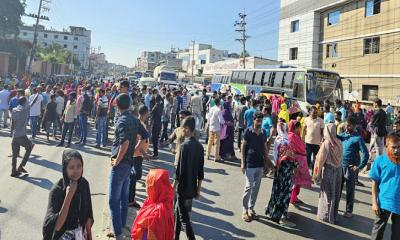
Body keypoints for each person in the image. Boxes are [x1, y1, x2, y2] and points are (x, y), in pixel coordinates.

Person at [109, 93, 148, 240]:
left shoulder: (121, 121)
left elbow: (124, 143)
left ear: (118, 105)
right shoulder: (134, 119)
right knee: (124, 198)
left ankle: (118, 233)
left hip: (120, 165)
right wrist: (134, 150)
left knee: (113, 200)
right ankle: (122, 225)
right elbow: (145, 135)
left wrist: (117, 161)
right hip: (129, 163)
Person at [43, 150, 94, 240]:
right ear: (65, 169)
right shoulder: (57, 190)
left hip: (80, 235)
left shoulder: (83, 184)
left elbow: (88, 218)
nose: (76, 171)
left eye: (79, 166)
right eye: (71, 167)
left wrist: (89, 237)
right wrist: (69, 195)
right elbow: (55, 226)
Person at [173, 116, 204, 240]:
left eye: (183, 128)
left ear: (187, 129)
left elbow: (179, 171)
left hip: (182, 188)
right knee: (177, 212)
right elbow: (200, 172)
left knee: (183, 218)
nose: (182, 131)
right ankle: (174, 237)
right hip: (192, 188)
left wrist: (173, 185)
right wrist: (198, 190)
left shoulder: (185, 146)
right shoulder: (200, 147)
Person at [265, 119, 297, 227]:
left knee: (277, 190)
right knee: (284, 193)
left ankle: (272, 211)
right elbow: (290, 157)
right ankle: (280, 217)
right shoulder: (286, 141)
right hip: (286, 170)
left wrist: (276, 165)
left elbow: (275, 155)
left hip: (279, 168)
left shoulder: (278, 139)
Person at [241, 111, 271, 222]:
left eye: (261, 120)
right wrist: (242, 162)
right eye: (257, 120)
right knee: (249, 187)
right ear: (253, 120)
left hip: (259, 164)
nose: (259, 122)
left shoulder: (263, 133)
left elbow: (264, 148)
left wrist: (266, 163)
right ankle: (244, 210)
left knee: (256, 188)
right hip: (250, 163)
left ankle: (251, 208)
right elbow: (243, 146)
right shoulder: (248, 131)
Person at [369, 134, 400, 240]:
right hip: (383, 203)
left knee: (397, 235)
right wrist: (374, 203)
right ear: (387, 147)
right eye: (393, 147)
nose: (396, 150)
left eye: (398, 147)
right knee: (377, 233)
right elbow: (374, 184)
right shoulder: (380, 161)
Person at [338, 116, 369, 218]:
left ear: (354, 126)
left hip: (351, 169)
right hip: (341, 166)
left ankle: (349, 211)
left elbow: (366, 154)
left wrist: (359, 167)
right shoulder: (344, 135)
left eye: (349, 125)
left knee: (350, 191)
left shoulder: (358, 138)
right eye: (346, 125)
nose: (346, 127)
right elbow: (336, 137)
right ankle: (335, 208)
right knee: (338, 189)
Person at [130, 169, 174, 240]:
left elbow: (146, 236)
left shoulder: (157, 213)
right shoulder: (166, 203)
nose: (146, 188)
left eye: (148, 185)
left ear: (156, 188)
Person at [313, 123, 343, 224]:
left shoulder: (327, 143)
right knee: (335, 193)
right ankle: (333, 216)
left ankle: (325, 215)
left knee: (327, 193)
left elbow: (320, 160)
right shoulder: (339, 142)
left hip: (329, 171)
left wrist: (316, 175)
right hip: (338, 170)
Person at [129, 105, 150, 209]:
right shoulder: (139, 124)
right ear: (145, 113)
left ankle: (130, 198)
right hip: (136, 155)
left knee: (135, 176)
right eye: (148, 112)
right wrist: (144, 153)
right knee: (135, 176)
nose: (149, 114)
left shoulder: (141, 123)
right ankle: (130, 200)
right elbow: (138, 141)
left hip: (139, 154)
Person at [289, 120, 312, 208]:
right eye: (299, 127)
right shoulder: (292, 136)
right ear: (296, 127)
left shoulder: (295, 136)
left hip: (300, 161)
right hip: (296, 161)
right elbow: (300, 147)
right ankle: (292, 198)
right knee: (295, 180)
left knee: (298, 181)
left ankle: (294, 197)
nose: (300, 129)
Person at [10, 96, 34, 177]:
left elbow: (12, 122)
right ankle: (21, 166)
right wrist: (37, 94)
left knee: (14, 154)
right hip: (22, 135)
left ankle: (13, 171)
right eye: (26, 101)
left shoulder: (14, 110)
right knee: (30, 146)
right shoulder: (25, 110)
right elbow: (32, 103)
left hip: (15, 135)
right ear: (24, 103)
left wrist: (12, 132)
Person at [303, 106, 324, 170]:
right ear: (310, 112)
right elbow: (303, 130)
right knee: (307, 160)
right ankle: (306, 175)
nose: (315, 114)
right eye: (313, 113)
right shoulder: (306, 119)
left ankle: (314, 176)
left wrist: (322, 141)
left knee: (316, 161)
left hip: (317, 144)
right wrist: (302, 140)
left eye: (316, 113)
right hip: (308, 143)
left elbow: (322, 132)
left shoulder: (320, 120)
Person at [150, 94, 163, 159]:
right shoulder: (160, 105)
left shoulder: (155, 107)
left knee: (154, 139)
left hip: (155, 124)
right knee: (155, 138)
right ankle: (155, 152)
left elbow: (152, 117)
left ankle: (155, 153)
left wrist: (150, 125)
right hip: (159, 123)